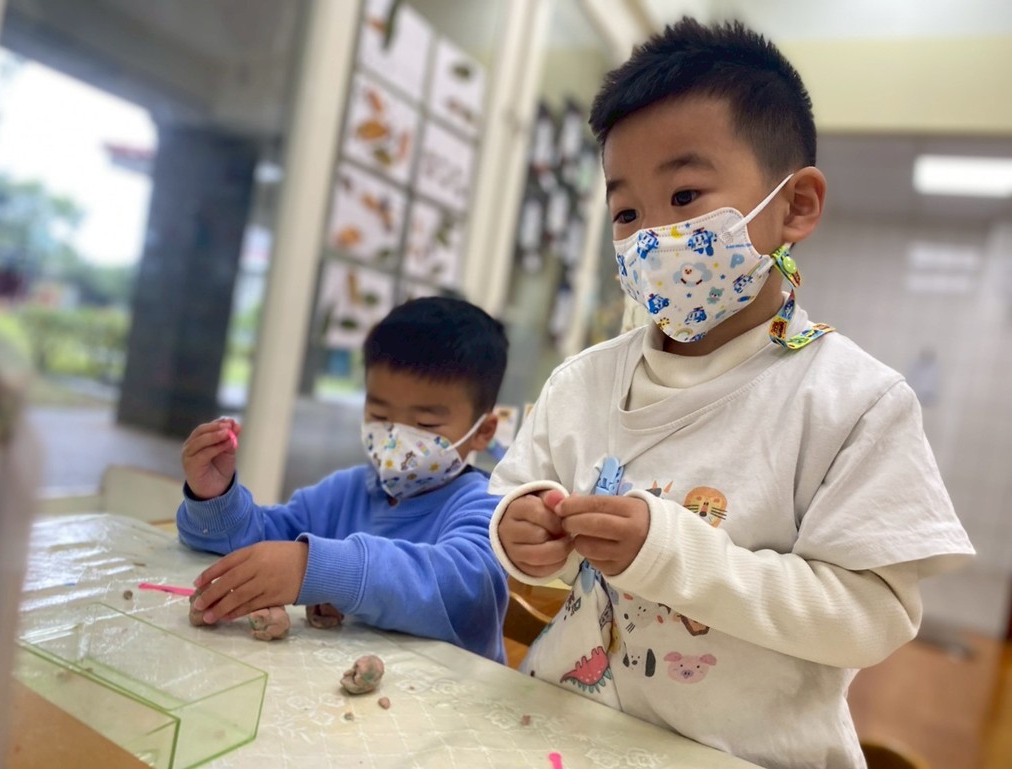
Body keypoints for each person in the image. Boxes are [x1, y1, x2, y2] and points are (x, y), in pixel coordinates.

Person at [488, 17, 974, 768]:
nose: (651, 237)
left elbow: (871, 616)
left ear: (795, 205)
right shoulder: (582, 382)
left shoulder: (854, 402)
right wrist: (519, 532)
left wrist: (669, 552)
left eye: (685, 195)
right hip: (564, 731)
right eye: (626, 213)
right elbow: (510, 511)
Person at [178, 296, 510, 663]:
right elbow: (256, 544)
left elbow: (460, 590)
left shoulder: (492, 510)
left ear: (484, 432)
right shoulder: (345, 492)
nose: (396, 438)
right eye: (379, 415)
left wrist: (313, 568)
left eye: (425, 424)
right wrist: (215, 497)